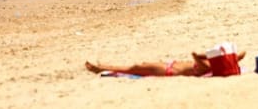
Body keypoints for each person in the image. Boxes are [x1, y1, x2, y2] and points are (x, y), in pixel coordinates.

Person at [85, 50, 247, 77]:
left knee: (133, 68)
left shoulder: (206, 66)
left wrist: (210, 54)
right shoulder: (212, 66)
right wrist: (230, 56)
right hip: (170, 66)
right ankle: (102, 66)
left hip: (168, 70)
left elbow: (195, 55)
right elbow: (242, 54)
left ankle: (100, 68)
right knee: (137, 66)